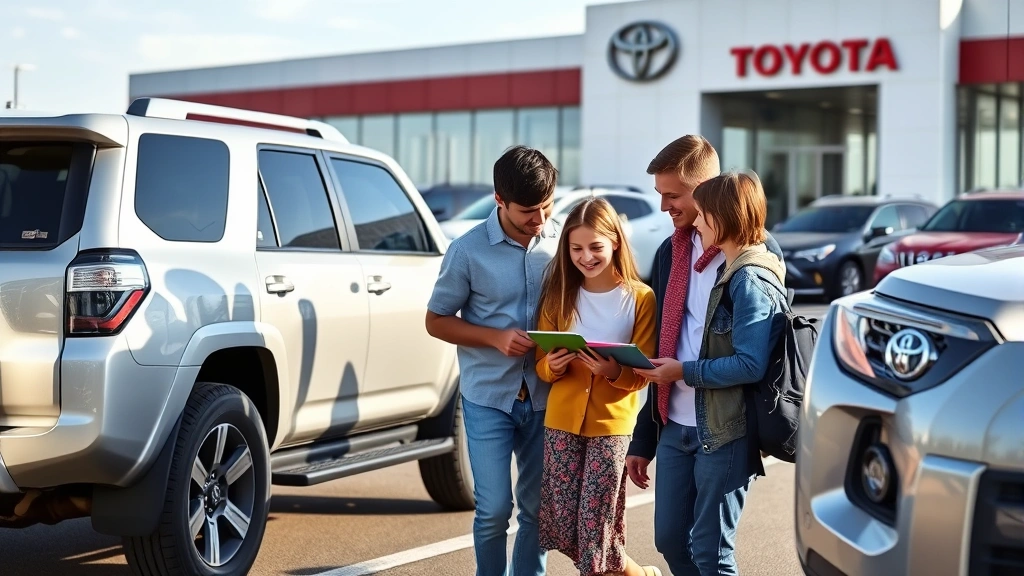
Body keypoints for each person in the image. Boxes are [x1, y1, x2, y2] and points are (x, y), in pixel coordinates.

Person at [624, 136, 784, 576]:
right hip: (673, 425)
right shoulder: (668, 252)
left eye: (672, 196)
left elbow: (760, 360)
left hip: (725, 428)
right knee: (671, 541)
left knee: (712, 552)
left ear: (705, 190)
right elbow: (663, 350)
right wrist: (643, 440)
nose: (664, 208)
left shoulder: (755, 254)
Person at [425, 145, 559, 576]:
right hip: (488, 398)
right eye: (528, 211)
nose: (539, 220)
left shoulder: (560, 242)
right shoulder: (466, 250)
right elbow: (436, 321)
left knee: (538, 510)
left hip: (546, 394)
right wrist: (494, 338)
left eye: (546, 207)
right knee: (494, 509)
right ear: (500, 200)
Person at [532, 197, 661, 576]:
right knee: (569, 531)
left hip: (612, 426)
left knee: (595, 526)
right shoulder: (559, 293)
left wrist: (612, 371)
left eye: (595, 247)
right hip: (561, 423)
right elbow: (542, 365)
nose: (585, 257)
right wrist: (550, 366)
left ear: (615, 243)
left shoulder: (640, 298)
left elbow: (644, 372)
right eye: (576, 248)